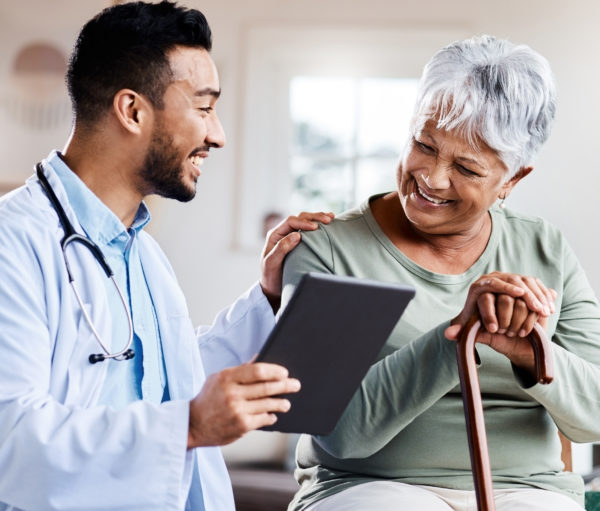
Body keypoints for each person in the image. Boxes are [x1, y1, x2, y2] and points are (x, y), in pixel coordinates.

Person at [0, 2, 334, 510]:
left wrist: (268, 295)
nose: (217, 135)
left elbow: (168, 381)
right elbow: (11, 441)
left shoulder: (142, 252)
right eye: (203, 108)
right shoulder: (13, 242)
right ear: (132, 110)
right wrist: (190, 425)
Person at [282, 35, 600, 511]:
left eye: (467, 168)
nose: (431, 178)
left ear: (512, 180)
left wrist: (530, 353)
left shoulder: (545, 247)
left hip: (528, 491)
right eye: (423, 144)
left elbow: (594, 414)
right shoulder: (329, 249)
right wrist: (457, 336)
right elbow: (338, 433)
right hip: (367, 489)